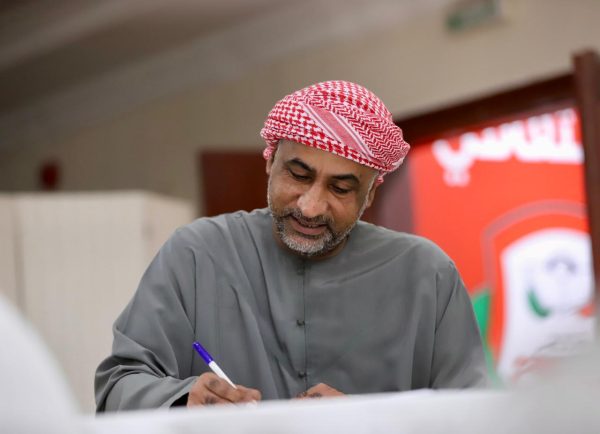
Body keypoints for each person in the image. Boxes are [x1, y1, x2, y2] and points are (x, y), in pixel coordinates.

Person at [95, 80, 487, 411]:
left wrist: (372, 422)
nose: (310, 207)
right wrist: (183, 399)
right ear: (270, 162)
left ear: (370, 195)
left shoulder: (428, 275)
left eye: (340, 188)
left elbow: (475, 417)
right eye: (298, 175)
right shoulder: (197, 254)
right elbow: (117, 388)